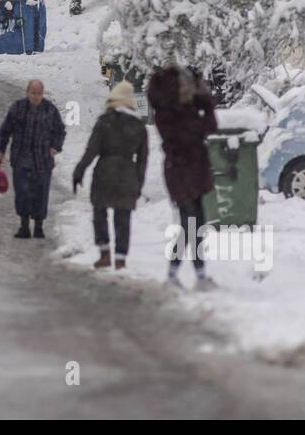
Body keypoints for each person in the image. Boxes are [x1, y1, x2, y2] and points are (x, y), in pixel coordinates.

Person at [146, 64, 218, 290]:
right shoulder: (167, 115)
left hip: (193, 171)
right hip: (180, 173)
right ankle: (188, 275)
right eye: (184, 85)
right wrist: (201, 106)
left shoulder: (186, 109)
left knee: (195, 224)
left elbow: (210, 125)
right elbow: (198, 130)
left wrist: (202, 96)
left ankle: (183, 275)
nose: (188, 89)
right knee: (192, 224)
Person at [72, 82, 149, 271]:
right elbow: (143, 159)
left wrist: (79, 172)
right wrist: (138, 182)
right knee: (123, 218)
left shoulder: (104, 122)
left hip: (105, 172)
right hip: (128, 174)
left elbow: (91, 151)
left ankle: (104, 252)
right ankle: (121, 257)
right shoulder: (139, 126)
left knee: (100, 211)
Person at [0, 80, 66, 239]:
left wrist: (55, 146)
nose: (35, 96)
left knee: (41, 194)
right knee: (23, 193)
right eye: (33, 93)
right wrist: (0, 149)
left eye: (38, 93)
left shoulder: (50, 110)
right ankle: (24, 225)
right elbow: (5, 130)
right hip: (21, 159)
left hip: (43, 161)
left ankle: (39, 227)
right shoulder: (18, 108)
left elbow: (60, 131)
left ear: (42, 94)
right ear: (27, 93)